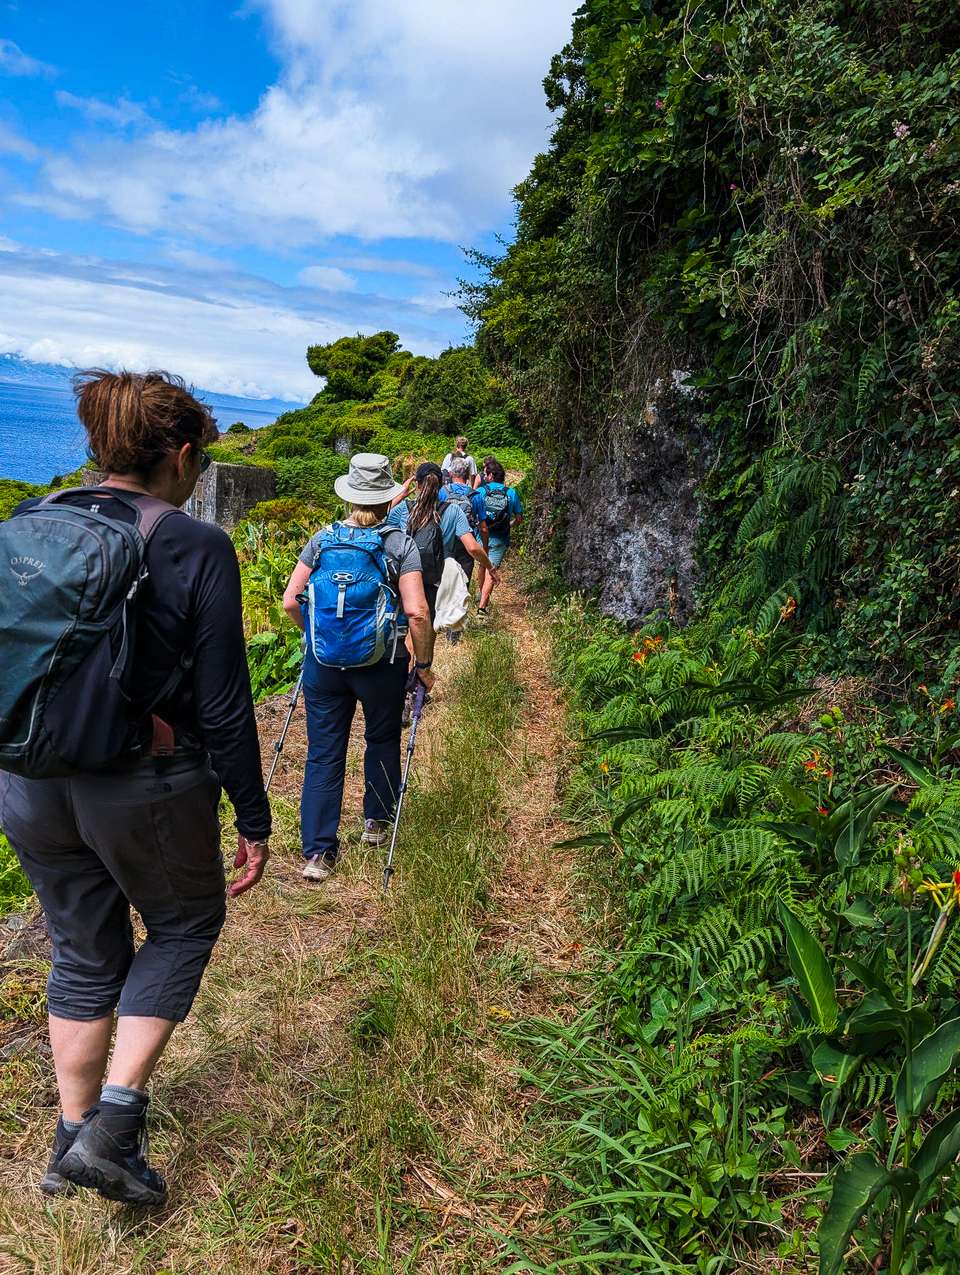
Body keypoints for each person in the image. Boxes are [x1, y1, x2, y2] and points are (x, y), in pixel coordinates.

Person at [0, 370, 271, 1206]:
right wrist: (254, 818)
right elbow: (225, 704)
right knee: (187, 919)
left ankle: (67, 1143)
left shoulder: (33, 521)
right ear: (183, 455)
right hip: (140, 781)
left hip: (29, 776)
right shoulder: (193, 542)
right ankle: (112, 1134)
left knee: (82, 949)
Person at [281, 454, 436, 882]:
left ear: (349, 494)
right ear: (388, 498)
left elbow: (291, 601)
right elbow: (418, 613)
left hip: (324, 663)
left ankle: (317, 854)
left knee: (323, 752)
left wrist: (314, 636)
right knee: (382, 736)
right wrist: (423, 663)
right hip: (382, 663)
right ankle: (375, 823)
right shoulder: (398, 544)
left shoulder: (322, 540)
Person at [395, 462, 501, 646]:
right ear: (442, 485)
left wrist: (401, 495)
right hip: (436, 578)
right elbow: (473, 548)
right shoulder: (453, 511)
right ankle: (421, 671)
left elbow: (377, 518)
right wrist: (490, 567)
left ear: (418, 484)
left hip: (406, 577)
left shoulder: (403, 509)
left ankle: (411, 670)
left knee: (410, 631)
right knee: (428, 632)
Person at [475, 457, 523, 618]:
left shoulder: (481, 491)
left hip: (482, 536)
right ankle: (482, 607)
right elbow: (519, 518)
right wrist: (508, 525)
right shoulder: (511, 493)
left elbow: (473, 513)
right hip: (501, 538)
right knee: (492, 569)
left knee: (482, 566)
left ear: (490, 476)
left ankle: (480, 596)